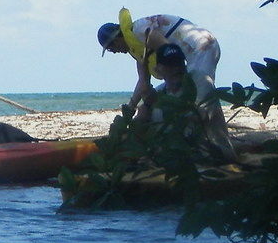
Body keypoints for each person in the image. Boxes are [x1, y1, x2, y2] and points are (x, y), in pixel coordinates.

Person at [96, 14, 237, 160]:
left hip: (200, 47)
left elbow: (168, 52)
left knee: (198, 99)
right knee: (165, 100)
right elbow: (143, 83)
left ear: (117, 38)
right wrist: (129, 111)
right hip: (190, 52)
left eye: (111, 47)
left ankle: (208, 148)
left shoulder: (138, 31)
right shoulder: (136, 47)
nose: (113, 52)